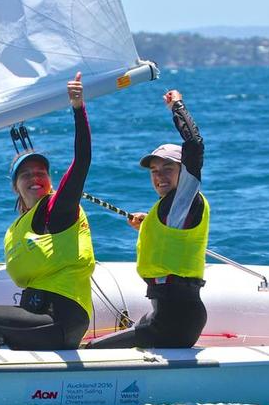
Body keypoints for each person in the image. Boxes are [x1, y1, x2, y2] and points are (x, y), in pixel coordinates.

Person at [0, 73, 96, 350]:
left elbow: (82, 160)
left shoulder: (59, 209)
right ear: (15, 186)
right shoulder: (18, 227)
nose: (34, 177)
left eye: (41, 172)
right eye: (25, 174)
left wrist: (78, 107)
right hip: (39, 318)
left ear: (50, 180)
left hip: (59, 320)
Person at [89, 89, 208, 349]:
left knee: (93, 350)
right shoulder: (172, 209)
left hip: (176, 318)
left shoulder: (187, 197)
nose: (159, 176)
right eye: (154, 171)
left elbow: (195, 146)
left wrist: (177, 106)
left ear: (183, 171)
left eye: (168, 169)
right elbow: (172, 241)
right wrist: (149, 226)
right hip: (166, 313)